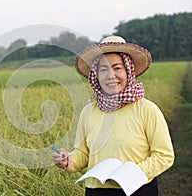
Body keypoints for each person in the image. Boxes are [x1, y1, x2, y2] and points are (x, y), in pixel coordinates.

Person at [51, 35, 174, 196]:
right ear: (96, 75)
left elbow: (164, 155)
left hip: (138, 189)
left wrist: (134, 173)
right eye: (103, 69)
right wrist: (67, 160)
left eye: (117, 68)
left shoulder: (146, 109)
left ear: (128, 71)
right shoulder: (88, 112)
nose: (110, 75)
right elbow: (83, 153)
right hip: (96, 191)